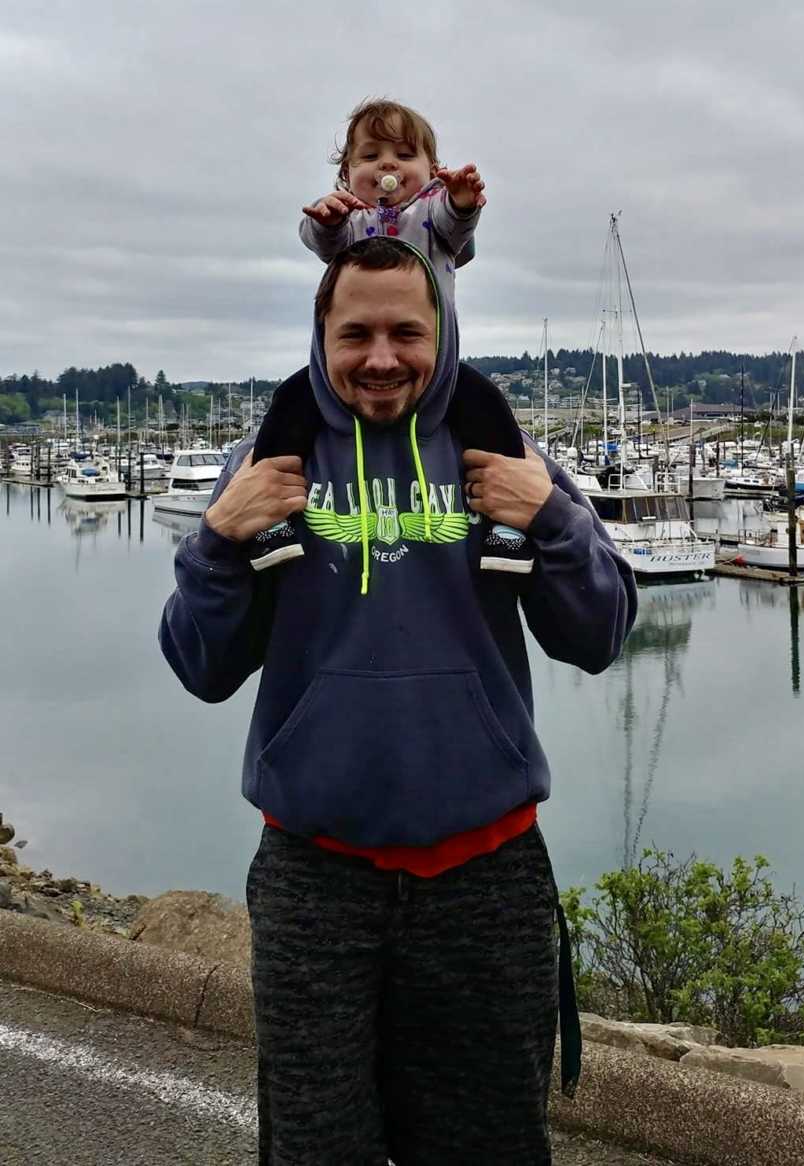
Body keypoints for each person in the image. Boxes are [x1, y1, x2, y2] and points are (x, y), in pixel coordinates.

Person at [159, 236, 637, 1166]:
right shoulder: (272, 461)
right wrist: (215, 545)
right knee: (315, 1148)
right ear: (322, 337)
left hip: (485, 877)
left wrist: (558, 520)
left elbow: (599, 634)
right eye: (358, 334)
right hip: (315, 879)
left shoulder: (501, 448)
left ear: (442, 332)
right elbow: (200, 667)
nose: (382, 358)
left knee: (488, 1146)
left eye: (406, 332)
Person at [250, 98, 531, 575]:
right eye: (370, 155)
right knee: (287, 410)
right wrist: (327, 218)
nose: (387, 165)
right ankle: (268, 520)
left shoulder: (433, 216)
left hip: (438, 371)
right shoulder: (348, 220)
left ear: (431, 170)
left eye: (404, 156)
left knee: (490, 413)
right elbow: (318, 238)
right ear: (346, 174)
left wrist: (462, 199)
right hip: (335, 383)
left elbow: (456, 223)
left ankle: (508, 529)